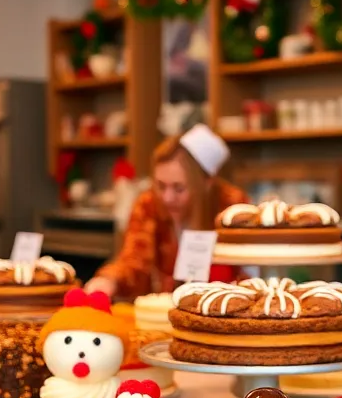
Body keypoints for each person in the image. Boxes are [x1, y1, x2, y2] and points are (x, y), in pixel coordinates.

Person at [85, 124, 246, 299]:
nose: (167, 198)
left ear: (207, 183)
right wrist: (110, 280)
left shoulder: (232, 208)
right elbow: (134, 259)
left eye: (179, 188)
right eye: (161, 186)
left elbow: (247, 268)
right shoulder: (149, 204)